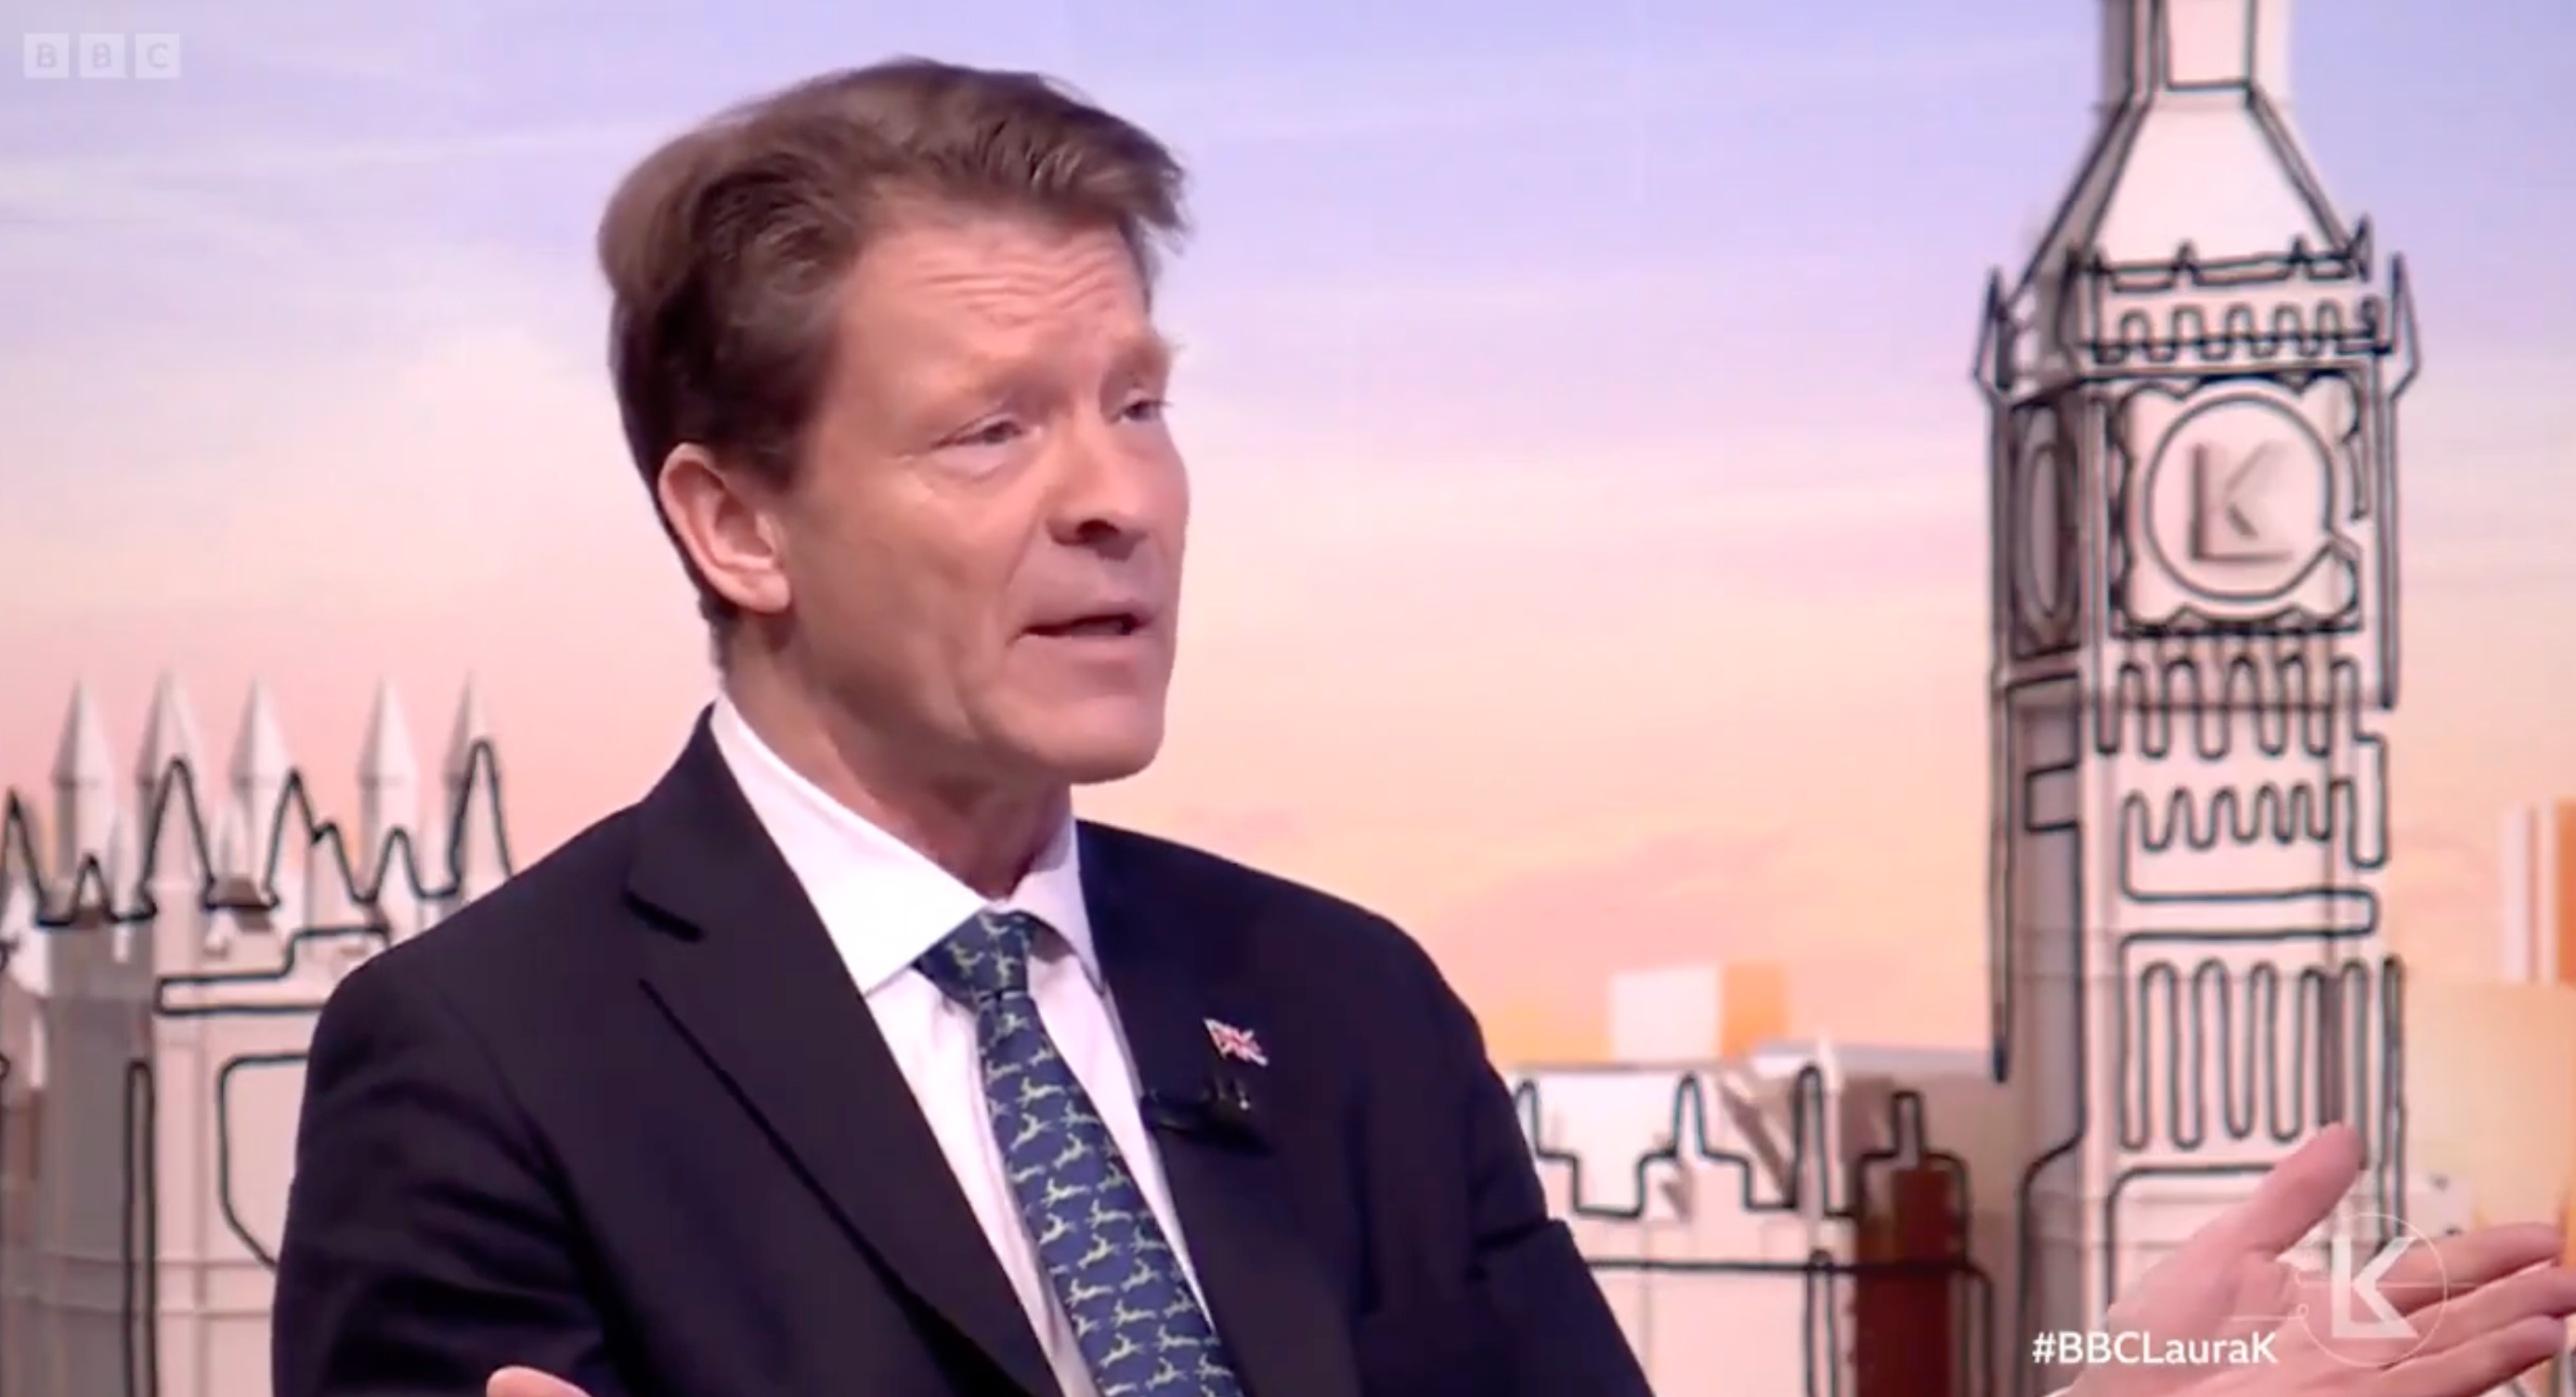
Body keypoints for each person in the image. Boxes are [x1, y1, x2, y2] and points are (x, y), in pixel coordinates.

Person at [268, 59, 2576, 1397]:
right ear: (736, 519)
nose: (1118, 496)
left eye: (1139, 402)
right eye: (992, 428)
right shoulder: (487, 1060)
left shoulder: (1338, 1001)